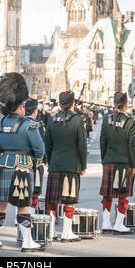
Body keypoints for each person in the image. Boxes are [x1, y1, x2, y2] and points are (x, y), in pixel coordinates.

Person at [0, 73, 45, 253]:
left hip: (1, 167)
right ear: (21, 105)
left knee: (1, 205)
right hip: (22, 167)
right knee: (23, 206)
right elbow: (40, 149)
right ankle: (27, 241)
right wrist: (36, 160)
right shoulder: (29, 125)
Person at [45, 91, 87, 242]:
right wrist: (83, 165)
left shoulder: (51, 120)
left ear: (59, 104)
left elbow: (47, 146)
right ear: (73, 104)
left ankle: (50, 232)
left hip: (55, 164)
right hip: (72, 165)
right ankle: (66, 232)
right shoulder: (77, 120)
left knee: (52, 201)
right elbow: (82, 145)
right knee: (69, 200)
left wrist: (50, 162)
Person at [99, 92, 135, 234]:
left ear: (114, 104)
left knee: (107, 194)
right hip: (124, 162)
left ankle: (106, 223)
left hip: (109, 160)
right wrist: (134, 165)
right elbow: (133, 145)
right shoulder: (129, 121)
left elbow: (102, 141)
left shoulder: (106, 120)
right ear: (126, 104)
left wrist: (104, 159)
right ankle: (118, 224)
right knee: (123, 194)